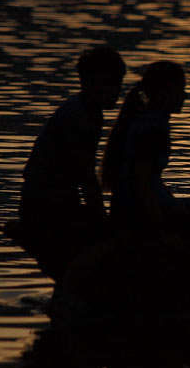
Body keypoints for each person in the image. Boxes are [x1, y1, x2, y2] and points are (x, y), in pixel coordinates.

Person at [18, 46, 126, 275]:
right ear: (93, 82)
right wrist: (101, 218)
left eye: (119, 83)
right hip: (46, 205)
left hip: (53, 200)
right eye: (112, 83)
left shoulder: (88, 111)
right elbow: (85, 174)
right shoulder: (80, 115)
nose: (118, 91)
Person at [100, 61, 190, 240]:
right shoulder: (153, 128)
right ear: (162, 94)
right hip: (140, 213)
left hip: (130, 207)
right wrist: (161, 229)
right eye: (179, 90)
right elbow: (141, 182)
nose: (184, 96)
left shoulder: (141, 121)